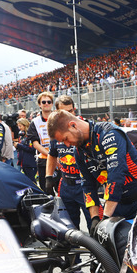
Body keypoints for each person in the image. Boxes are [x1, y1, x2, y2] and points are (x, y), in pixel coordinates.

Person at [47, 109, 137, 224]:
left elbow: (116, 176)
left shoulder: (109, 133)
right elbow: (87, 185)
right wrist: (95, 218)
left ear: (73, 125)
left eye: (66, 139)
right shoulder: (78, 151)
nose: (67, 144)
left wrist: (106, 218)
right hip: (115, 205)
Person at [45, 95, 90, 229]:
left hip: (85, 185)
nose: (68, 115)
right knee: (68, 226)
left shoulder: (84, 128)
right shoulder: (56, 131)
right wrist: (48, 177)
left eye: (70, 111)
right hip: (66, 184)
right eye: (64, 112)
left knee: (94, 225)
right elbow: (52, 155)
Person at [28, 92, 55, 190]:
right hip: (44, 160)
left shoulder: (59, 118)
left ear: (52, 103)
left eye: (49, 101)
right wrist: (50, 155)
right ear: (39, 104)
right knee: (46, 189)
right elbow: (35, 143)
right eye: (44, 102)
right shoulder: (35, 122)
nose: (46, 103)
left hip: (61, 159)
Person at [16, 118, 37, 183]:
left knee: (32, 181)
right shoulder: (22, 136)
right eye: (18, 126)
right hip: (23, 162)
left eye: (20, 126)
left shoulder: (30, 135)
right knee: (27, 181)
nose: (19, 128)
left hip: (30, 162)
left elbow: (32, 149)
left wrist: (19, 145)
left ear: (25, 125)